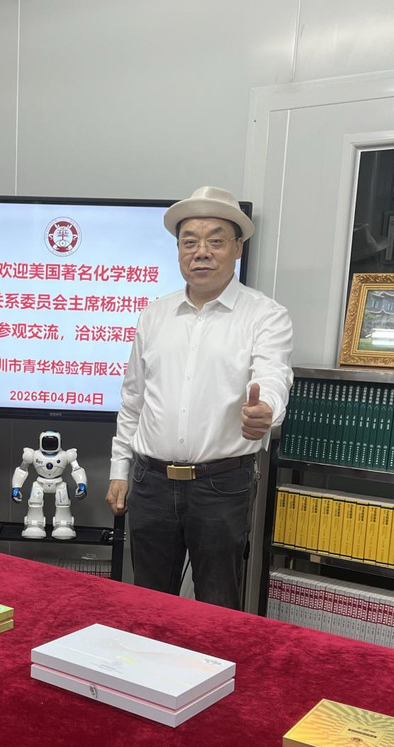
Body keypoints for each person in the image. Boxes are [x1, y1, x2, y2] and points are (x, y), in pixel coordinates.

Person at [105, 186, 293, 610]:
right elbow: (133, 399)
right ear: (178, 251)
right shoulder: (154, 315)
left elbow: (273, 376)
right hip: (150, 481)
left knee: (218, 605)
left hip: (221, 486)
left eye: (215, 241)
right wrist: (120, 468)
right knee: (149, 603)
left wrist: (265, 411)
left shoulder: (265, 315)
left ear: (237, 248)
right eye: (189, 242)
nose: (201, 252)